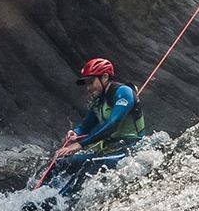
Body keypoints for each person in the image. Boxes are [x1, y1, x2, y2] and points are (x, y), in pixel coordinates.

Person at [35, 57, 145, 190]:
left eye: (91, 82)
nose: (88, 88)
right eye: (87, 84)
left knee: (88, 167)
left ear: (105, 77)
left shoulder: (124, 93)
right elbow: (84, 127)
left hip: (129, 150)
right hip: (108, 150)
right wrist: (75, 133)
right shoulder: (99, 101)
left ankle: (55, 204)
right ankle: (35, 196)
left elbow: (113, 124)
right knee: (60, 164)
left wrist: (79, 145)